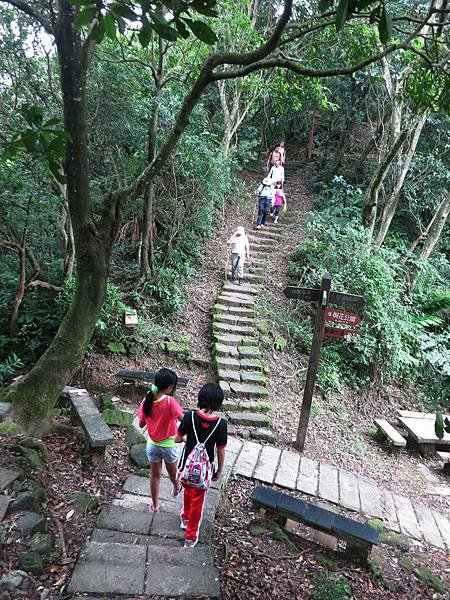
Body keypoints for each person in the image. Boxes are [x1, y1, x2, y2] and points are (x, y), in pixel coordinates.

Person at [175, 383, 227, 548]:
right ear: (218, 402)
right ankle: (190, 537)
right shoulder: (221, 424)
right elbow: (220, 450)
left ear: (200, 398)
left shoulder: (189, 416)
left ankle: (185, 517)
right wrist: (219, 469)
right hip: (204, 471)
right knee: (198, 500)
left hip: (186, 467)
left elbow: (177, 438)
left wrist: (188, 440)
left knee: (188, 491)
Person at [137, 368, 184, 513]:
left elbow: (141, 424)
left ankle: (155, 506)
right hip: (170, 445)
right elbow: (183, 420)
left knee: (155, 476)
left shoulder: (147, 400)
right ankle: (177, 488)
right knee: (173, 474)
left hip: (152, 445)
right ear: (170, 388)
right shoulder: (170, 402)